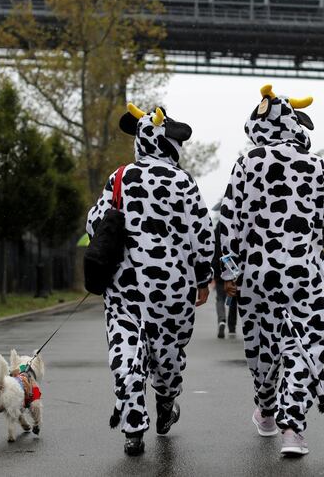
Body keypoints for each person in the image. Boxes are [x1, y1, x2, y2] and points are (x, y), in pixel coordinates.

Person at [219, 84, 324, 457]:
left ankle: (267, 410)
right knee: (305, 346)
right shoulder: (316, 165)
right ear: (294, 125)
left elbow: (228, 223)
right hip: (306, 275)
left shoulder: (247, 163)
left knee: (263, 348)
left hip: (258, 277)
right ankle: (293, 430)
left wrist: (229, 272)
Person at [86, 103, 214, 456]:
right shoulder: (183, 182)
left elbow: (96, 223)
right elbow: (202, 235)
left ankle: (132, 428)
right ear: (171, 144)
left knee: (126, 354)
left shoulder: (121, 177)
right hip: (172, 291)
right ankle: (165, 404)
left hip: (124, 288)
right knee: (168, 357)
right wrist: (204, 277)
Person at [213, 219, 238, 338]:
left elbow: (212, 252)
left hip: (218, 270)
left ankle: (221, 320)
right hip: (233, 268)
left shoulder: (215, 232)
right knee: (233, 297)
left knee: (220, 298)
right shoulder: (233, 229)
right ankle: (232, 327)